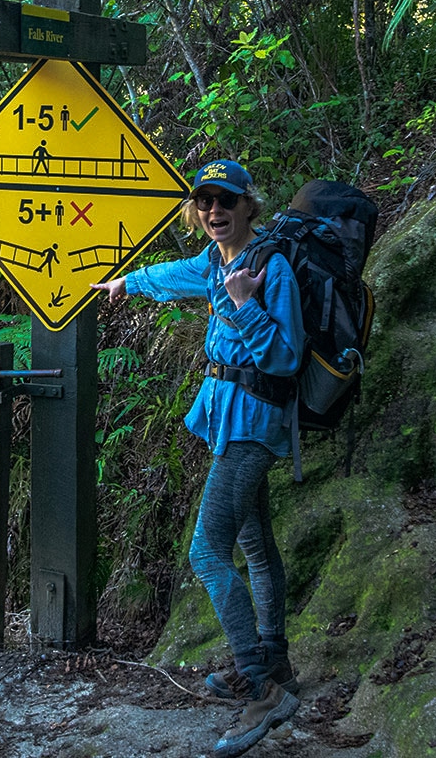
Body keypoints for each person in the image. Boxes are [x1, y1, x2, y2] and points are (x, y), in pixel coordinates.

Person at [91, 159, 303, 758]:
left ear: (248, 207)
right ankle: (276, 664)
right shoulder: (214, 262)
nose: (215, 212)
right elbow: (172, 275)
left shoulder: (271, 268)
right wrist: (123, 285)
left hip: (253, 426)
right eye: (206, 202)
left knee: (207, 553)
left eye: (226, 202)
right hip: (227, 419)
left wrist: (241, 304)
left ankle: (261, 688)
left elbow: (286, 359)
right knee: (257, 546)